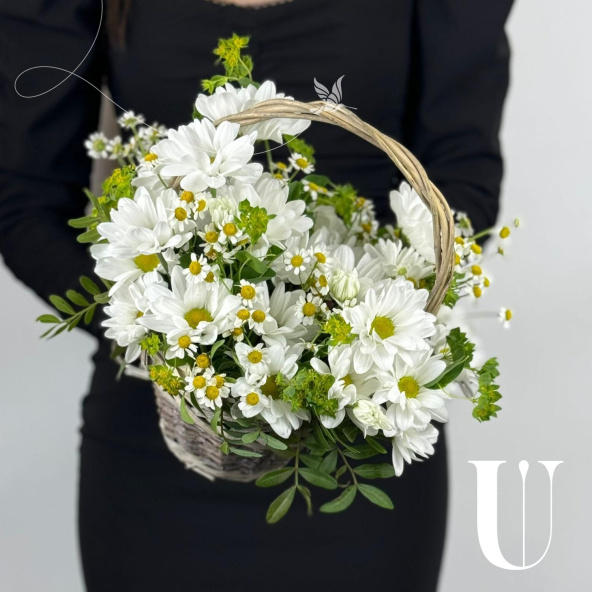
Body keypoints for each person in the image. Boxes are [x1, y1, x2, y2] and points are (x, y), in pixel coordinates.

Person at [0, 1, 513, 590]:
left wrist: (346, 342)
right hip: (153, 434)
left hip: (363, 431)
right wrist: (163, 333)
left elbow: (462, 174)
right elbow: (26, 202)